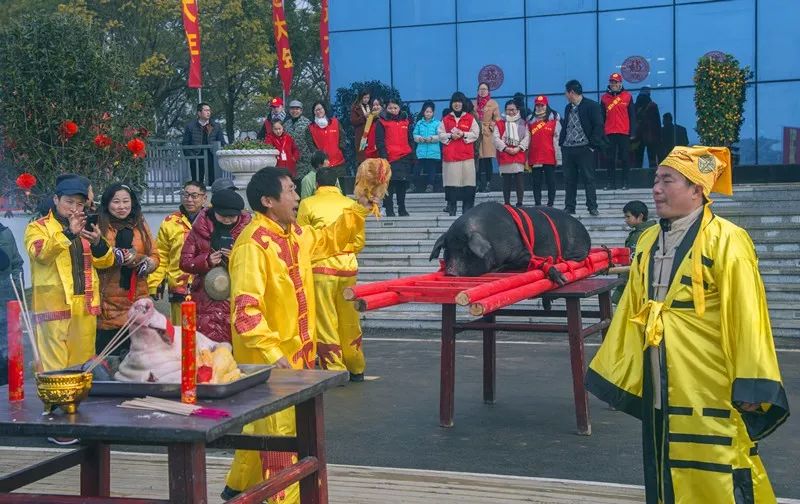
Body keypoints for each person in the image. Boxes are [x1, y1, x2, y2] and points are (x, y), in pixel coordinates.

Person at [586, 146, 789, 503]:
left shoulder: (728, 239)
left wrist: (753, 382)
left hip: (709, 379)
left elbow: (747, 314)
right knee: (664, 458)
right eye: (655, 180)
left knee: (720, 463)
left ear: (697, 189)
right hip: (660, 372)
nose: (656, 189)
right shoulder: (648, 240)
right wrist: (619, 369)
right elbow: (631, 308)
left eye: (667, 180)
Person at [221, 166, 377, 502]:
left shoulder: (296, 234)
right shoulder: (253, 244)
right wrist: (275, 357)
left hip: (298, 359)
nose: (297, 197)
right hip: (272, 364)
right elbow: (246, 313)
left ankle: (237, 489)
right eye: (290, 190)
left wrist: (359, 206)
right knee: (282, 438)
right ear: (267, 200)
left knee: (267, 429)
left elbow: (330, 239)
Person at [24, 176, 115, 371]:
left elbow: (106, 261)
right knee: (54, 368)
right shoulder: (38, 227)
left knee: (83, 366)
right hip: (53, 305)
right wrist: (69, 234)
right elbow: (41, 253)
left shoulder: (87, 226)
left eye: (80, 204)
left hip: (84, 305)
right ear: (56, 200)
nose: (74, 208)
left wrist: (98, 243)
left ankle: (81, 402)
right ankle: (55, 402)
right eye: (69, 202)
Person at [296, 168, 366, 380]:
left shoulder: (307, 204)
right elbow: (359, 241)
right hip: (348, 266)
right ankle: (356, 365)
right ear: (336, 184)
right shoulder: (350, 204)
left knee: (325, 319)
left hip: (320, 269)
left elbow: (301, 239)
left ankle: (334, 369)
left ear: (316, 184)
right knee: (350, 317)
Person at [179, 190, 251, 344]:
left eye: (232, 217)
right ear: (214, 211)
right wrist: (207, 260)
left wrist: (235, 259)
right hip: (206, 297)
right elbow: (185, 261)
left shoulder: (248, 231)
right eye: (223, 216)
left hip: (237, 296)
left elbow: (255, 264)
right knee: (208, 347)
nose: (227, 220)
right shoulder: (199, 229)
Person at [95, 183, 159, 356]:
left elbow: (154, 254)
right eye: (116, 202)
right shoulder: (99, 226)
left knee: (139, 362)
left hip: (138, 301)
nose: (122, 206)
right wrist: (116, 256)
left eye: (126, 201)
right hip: (109, 303)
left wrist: (148, 264)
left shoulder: (140, 224)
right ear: (107, 203)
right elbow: (94, 257)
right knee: (110, 360)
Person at [148, 180, 207, 325]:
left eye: (194, 196)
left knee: (205, 335)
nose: (189, 199)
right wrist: (155, 282)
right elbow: (161, 254)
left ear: (204, 198)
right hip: (179, 286)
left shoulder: (210, 220)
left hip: (206, 287)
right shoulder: (170, 222)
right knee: (182, 334)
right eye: (185, 195)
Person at [559, 79, 604, 216]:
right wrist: (562, 143)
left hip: (584, 147)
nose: (566, 96)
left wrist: (592, 145)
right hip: (568, 148)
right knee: (569, 179)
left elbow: (598, 126)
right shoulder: (568, 108)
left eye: (566, 93)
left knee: (588, 178)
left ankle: (592, 206)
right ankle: (570, 206)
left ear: (571, 92)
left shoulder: (592, 106)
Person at [438, 92, 480, 216]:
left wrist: (463, 134)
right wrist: (450, 135)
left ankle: (467, 208)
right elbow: (440, 135)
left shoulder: (469, 118)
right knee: (452, 183)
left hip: (466, 156)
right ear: (451, 104)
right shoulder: (446, 119)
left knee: (468, 182)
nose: (457, 104)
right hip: (450, 157)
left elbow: (476, 133)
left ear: (463, 103)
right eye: (454, 102)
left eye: (459, 101)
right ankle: (452, 207)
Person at [611, 200, 656, 304]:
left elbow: (632, 261)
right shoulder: (652, 230)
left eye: (628, 217)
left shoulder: (639, 235)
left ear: (640, 216)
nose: (626, 220)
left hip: (633, 282)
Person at [376, 98, 414, 217]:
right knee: (389, 185)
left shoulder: (405, 121)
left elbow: (410, 139)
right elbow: (379, 141)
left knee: (402, 184)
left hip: (404, 157)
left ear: (399, 108)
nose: (393, 110)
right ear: (386, 108)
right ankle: (389, 209)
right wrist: (384, 157)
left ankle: (402, 208)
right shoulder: (381, 122)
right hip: (389, 158)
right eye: (390, 108)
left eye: (396, 108)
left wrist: (412, 154)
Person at [601, 72, 636, 190]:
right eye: (612, 82)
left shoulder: (627, 96)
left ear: (620, 83)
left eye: (616, 82)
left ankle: (626, 182)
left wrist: (633, 132)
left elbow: (632, 115)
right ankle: (611, 183)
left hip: (623, 132)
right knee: (610, 159)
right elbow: (601, 117)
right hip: (609, 132)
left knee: (625, 158)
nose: (613, 84)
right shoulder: (604, 98)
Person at [0, 220, 24, 386]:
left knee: (7, 352)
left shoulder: (5, 232)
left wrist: (15, 289)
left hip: (6, 301)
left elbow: (16, 264)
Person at [493, 99, 530, 207]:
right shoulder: (500, 123)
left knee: (519, 179)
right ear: (505, 110)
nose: (511, 112)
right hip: (505, 154)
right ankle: (507, 202)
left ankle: (520, 202)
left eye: (513, 110)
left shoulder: (523, 123)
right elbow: (495, 138)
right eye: (508, 110)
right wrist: (506, 148)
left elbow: (527, 137)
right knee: (506, 180)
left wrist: (518, 148)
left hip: (518, 153)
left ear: (517, 110)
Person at [181, 102, 227, 186]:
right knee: (197, 182)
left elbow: (222, 142)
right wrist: (192, 157)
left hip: (212, 156)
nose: (208, 112)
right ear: (199, 113)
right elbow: (185, 144)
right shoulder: (190, 126)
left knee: (213, 180)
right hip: (196, 156)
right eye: (205, 110)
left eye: (209, 110)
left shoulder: (216, 126)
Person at [528, 95, 561, 207]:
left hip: (549, 156)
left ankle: (550, 204)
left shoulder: (554, 121)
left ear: (546, 106)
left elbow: (558, 139)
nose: (540, 107)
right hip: (535, 157)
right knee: (536, 182)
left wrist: (559, 157)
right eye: (537, 105)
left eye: (542, 105)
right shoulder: (530, 121)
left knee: (551, 182)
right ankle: (538, 204)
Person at [306, 101, 347, 179]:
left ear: (324, 109)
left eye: (320, 109)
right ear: (313, 112)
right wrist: (319, 156)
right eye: (316, 110)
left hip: (338, 163)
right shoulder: (310, 128)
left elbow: (343, 137)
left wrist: (340, 149)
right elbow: (310, 144)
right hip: (323, 165)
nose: (318, 111)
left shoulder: (335, 122)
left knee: (341, 188)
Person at [473, 82, 500, 192]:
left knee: (488, 159)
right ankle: (478, 183)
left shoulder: (493, 103)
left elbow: (497, 118)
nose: (482, 91)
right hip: (477, 132)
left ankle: (488, 182)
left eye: (484, 89)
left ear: (488, 91)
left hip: (488, 132)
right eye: (480, 89)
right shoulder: (474, 104)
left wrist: (492, 125)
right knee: (477, 159)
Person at [412, 101, 442, 194]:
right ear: (423, 112)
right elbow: (415, 134)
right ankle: (413, 185)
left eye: (430, 112)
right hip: (421, 151)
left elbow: (440, 135)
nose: (428, 113)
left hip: (433, 152)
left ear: (433, 113)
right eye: (426, 111)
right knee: (417, 169)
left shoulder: (437, 123)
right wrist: (419, 139)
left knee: (431, 170)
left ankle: (430, 186)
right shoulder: (419, 123)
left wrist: (431, 138)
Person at [284, 100, 314, 183]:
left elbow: (311, 141)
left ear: (301, 110)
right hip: (291, 160)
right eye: (292, 109)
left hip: (305, 161)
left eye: (297, 109)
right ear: (289, 110)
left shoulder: (307, 123)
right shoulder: (286, 124)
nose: (295, 111)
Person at [633, 87, 662, 168]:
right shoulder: (653, 105)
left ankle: (637, 177)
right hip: (651, 135)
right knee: (652, 158)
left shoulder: (635, 106)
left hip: (638, 135)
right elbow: (657, 123)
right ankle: (652, 177)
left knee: (638, 159)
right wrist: (659, 137)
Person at [350, 90, 372, 163]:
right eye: (364, 97)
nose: (366, 99)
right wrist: (363, 117)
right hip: (361, 136)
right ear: (360, 98)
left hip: (371, 134)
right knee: (362, 156)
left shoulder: (371, 106)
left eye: (368, 97)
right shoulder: (355, 108)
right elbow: (353, 121)